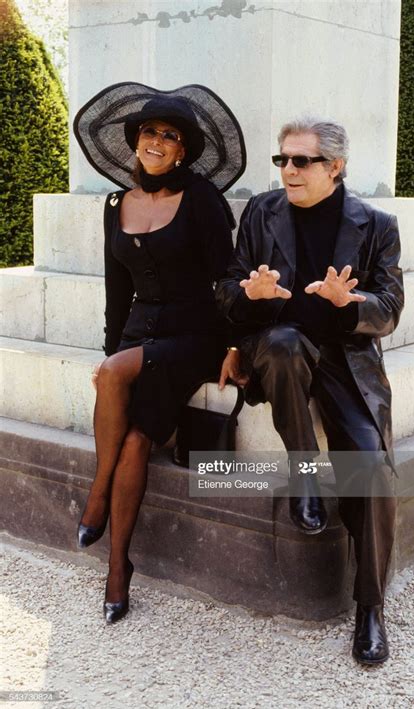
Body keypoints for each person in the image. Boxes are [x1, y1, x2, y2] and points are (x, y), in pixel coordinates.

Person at [216, 116, 404, 664]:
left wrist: (352, 305)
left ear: (336, 167)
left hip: (345, 359)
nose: (288, 171)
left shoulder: (377, 224)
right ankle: (304, 476)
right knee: (282, 342)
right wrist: (248, 295)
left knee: (369, 464)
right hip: (279, 349)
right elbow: (228, 291)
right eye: (282, 160)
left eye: (301, 161)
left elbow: (389, 311)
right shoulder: (261, 212)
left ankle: (370, 607)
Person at [73, 82, 246, 623]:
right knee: (133, 439)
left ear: (184, 151)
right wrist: (112, 353)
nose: (157, 141)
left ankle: (96, 497)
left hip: (194, 335)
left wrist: (237, 344)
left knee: (114, 372)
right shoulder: (115, 204)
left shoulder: (202, 202)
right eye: (150, 131)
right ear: (136, 140)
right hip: (135, 334)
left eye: (170, 136)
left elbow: (230, 278)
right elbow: (114, 288)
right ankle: (118, 568)